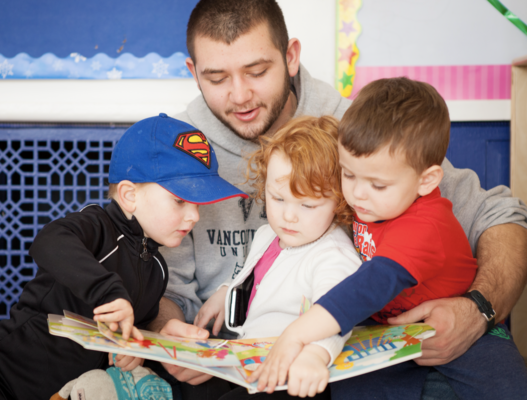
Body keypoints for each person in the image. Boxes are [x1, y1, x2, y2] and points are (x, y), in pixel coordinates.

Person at [151, 0, 527, 398]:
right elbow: (163, 285)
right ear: (193, 74)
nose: (240, 94)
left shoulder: (359, 133)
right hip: (232, 357)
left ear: (291, 57)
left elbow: (498, 215)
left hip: (340, 347)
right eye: (216, 78)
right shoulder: (177, 151)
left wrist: (479, 308)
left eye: (258, 72)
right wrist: (169, 335)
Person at [249, 78, 527, 399]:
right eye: (348, 174)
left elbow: (369, 285)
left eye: (378, 185)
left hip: (466, 331)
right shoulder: (365, 199)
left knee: (510, 387)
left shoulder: (426, 225)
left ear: (426, 180)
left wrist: (295, 335)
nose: (356, 194)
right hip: (388, 329)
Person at [0, 114, 248, 400]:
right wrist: (109, 291)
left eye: (198, 204)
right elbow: (49, 240)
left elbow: (131, 325)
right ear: (129, 195)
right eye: (181, 201)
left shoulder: (156, 269)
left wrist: (140, 345)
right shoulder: (97, 226)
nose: (194, 215)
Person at [195, 115, 362, 399]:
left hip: (294, 376)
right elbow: (255, 273)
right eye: (278, 198)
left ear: (340, 200)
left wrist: (316, 355)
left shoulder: (333, 256)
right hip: (254, 359)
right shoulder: (268, 235)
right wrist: (226, 291)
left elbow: (337, 315)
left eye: (307, 205)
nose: (288, 215)